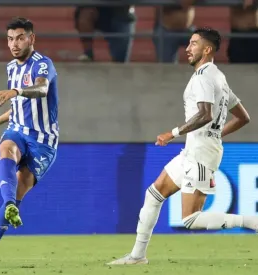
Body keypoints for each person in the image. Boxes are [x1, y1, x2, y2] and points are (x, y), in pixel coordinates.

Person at [108, 27, 255, 265]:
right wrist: (216, 135)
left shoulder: (204, 77)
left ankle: (251, 222)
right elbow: (242, 117)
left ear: (207, 50)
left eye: (194, 44)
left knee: (189, 219)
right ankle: (137, 256)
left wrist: (172, 133)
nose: (187, 48)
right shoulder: (218, 76)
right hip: (195, 151)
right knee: (153, 194)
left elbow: (205, 114)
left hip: (200, 154)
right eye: (188, 43)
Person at [0, 17, 59, 264]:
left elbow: (41, 90)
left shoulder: (43, 64)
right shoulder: (11, 67)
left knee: (21, 186)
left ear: (31, 38)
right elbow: (19, 106)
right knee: (7, 148)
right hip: (18, 130)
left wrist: (16, 91)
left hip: (43, 141)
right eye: (10, 38)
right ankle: (7, 208)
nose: (14, 43)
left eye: (20, 37)